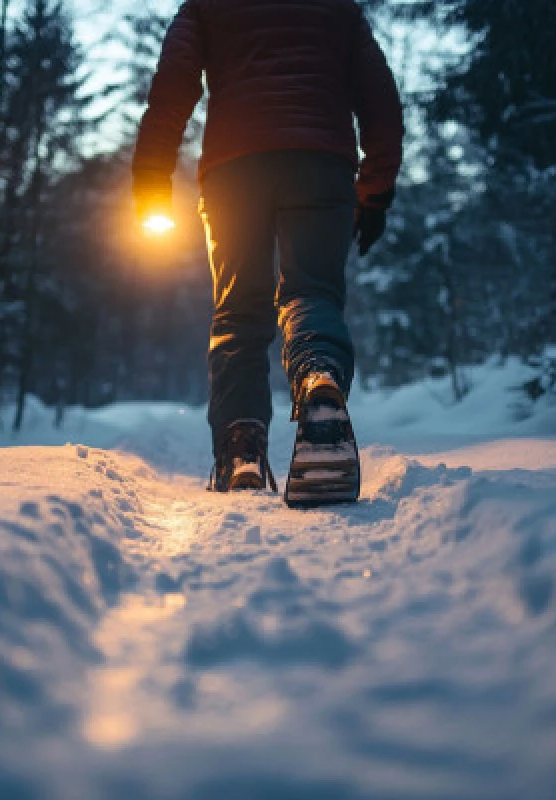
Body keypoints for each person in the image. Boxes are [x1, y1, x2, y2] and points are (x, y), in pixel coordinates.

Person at [132, 0, 403, 506]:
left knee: (238, 311)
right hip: (321, 168)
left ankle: (242, 452)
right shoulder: (337, 9)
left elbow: (171, 89)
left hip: (236, 171)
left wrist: (150, 180)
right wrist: (376, 191)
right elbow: (380, 100)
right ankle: (319, 378)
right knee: (311, 293)